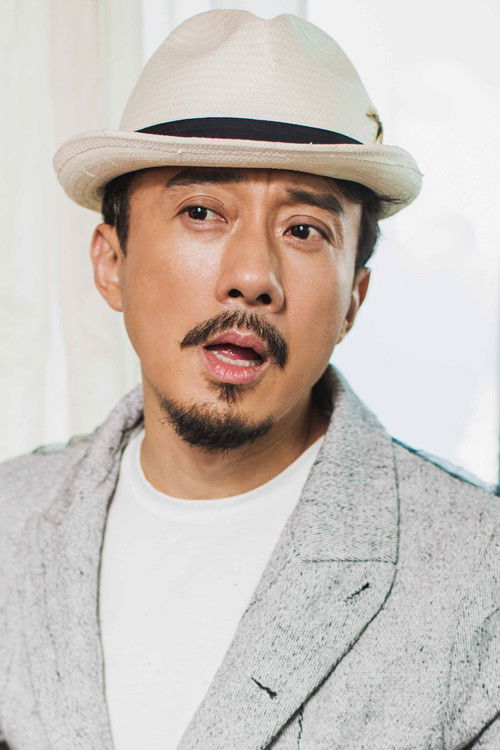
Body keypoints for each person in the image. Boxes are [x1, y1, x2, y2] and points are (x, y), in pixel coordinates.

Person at [0, 9, 498, 750]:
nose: (253, 276)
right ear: (111, 263)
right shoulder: (11, 519)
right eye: (202, 211)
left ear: (353, 300)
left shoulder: (479, 572)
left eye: (304, 230)